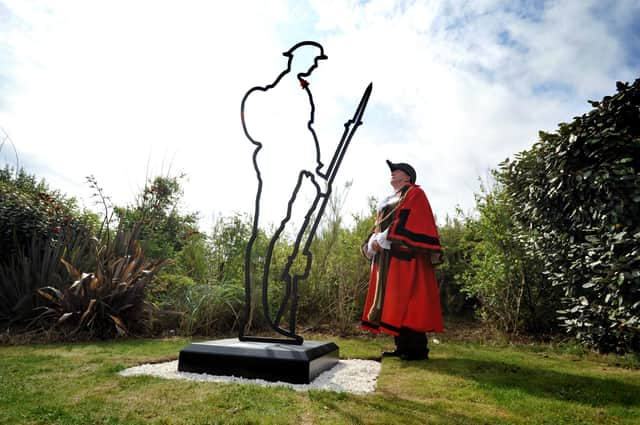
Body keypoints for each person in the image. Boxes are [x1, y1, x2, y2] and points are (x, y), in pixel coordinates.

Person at [360, 160, 444, 360]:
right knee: (394, 303)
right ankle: (402, 347)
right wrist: (373, 241)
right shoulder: (389, 198)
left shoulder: (415, 193)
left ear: (407, 177)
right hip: (389, 258)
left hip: (407, 258)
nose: (392, 173)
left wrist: (385, 238)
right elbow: (379, 226)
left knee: (410, 302)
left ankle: (416, 350)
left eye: (397, 171)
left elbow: (411, 221)